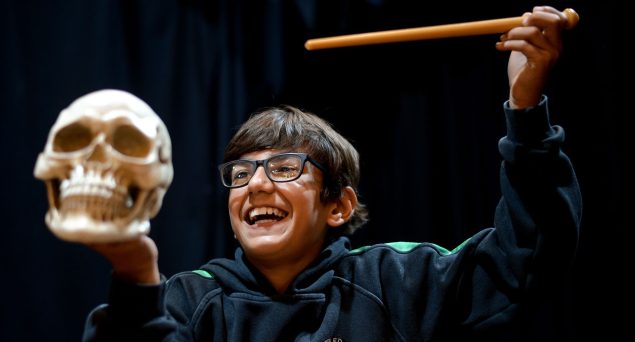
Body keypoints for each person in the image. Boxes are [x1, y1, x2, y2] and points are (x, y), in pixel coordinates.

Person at [82, 6, 581, 341]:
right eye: (240, 174)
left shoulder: (397, 281)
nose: (255, 184)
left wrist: (526, 107)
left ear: (338, 205)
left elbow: (527, 257)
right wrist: (134, 278)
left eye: (283, 168)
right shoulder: (186, 301)